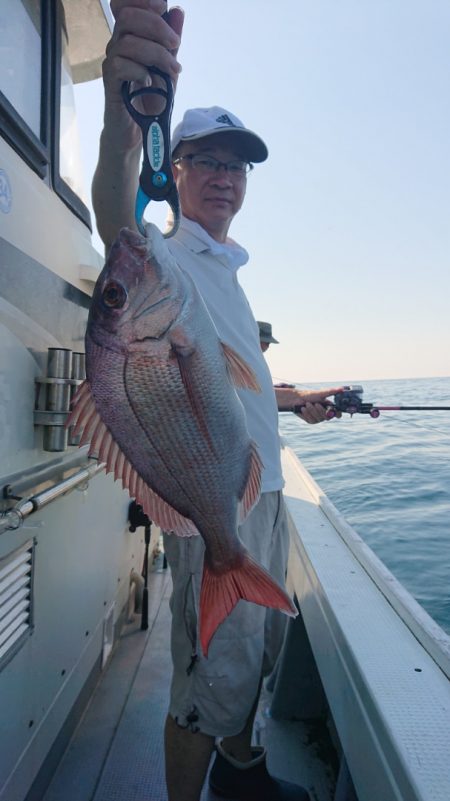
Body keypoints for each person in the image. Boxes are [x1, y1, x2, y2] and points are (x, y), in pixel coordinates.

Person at [93, 4, 343, 799]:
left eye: (238, 166)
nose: (225, 177)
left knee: (251, 656)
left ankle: (244, 770)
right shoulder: (161, 254)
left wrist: (297, 401)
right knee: (207, 682)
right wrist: (124, 116)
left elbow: (238, 384)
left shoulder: (226, 270)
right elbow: (112, 205)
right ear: (177, 172)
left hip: (255, 491)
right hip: (217, 503)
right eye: (207, 161)